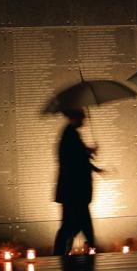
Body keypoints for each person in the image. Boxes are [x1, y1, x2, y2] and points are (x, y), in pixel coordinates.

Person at [53, 108, 102, 256]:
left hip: (73, 191)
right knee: (75, 225)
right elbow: (75, 160)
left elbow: (77, 156)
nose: (84, 120)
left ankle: (61, 254)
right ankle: (62, 254)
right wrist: (89, 154)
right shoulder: (70, 134)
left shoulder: (71, 134)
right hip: (74, 190)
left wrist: (88, 152)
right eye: (82, 117)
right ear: (74, 117)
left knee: (73, 225)